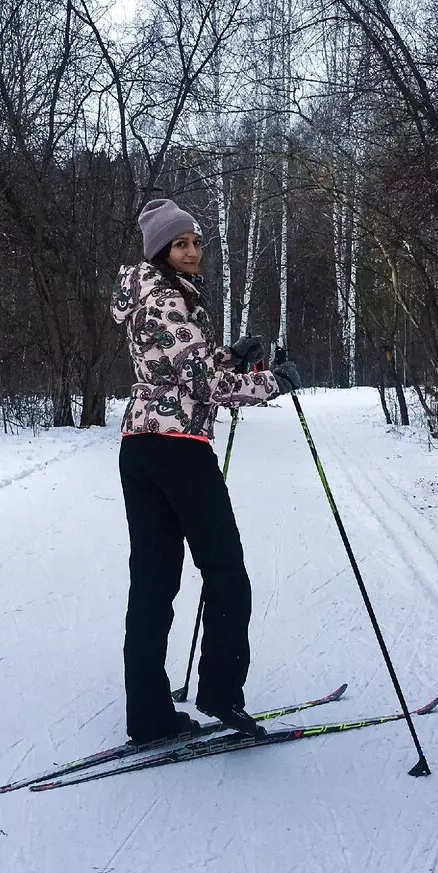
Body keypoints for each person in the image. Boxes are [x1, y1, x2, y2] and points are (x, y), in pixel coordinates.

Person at [110, 198, 303, 744]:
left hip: (140, 445)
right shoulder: (168, 300)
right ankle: (221, 693)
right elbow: (206, 385)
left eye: (195, 241)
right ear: (161, 252)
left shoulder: (149, 296)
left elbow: (185, 365)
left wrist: (231, 356)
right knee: (226, 572)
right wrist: (273, 383)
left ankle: (147, 713)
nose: (193, 251)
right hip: (179, 449)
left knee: (153, 581)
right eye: (181, 244)